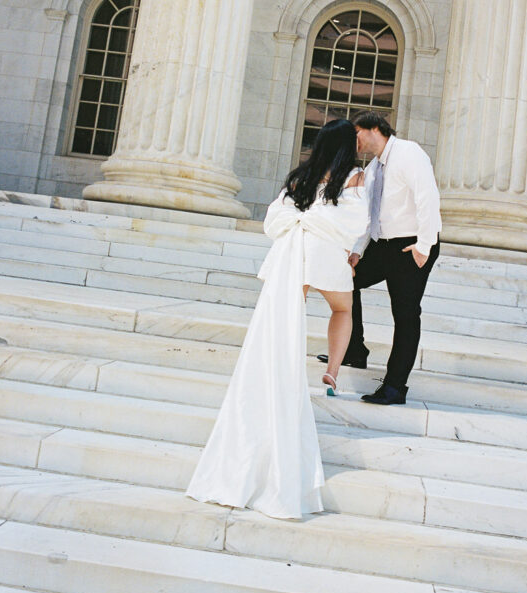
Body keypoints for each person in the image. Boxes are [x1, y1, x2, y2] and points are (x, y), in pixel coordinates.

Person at [186, 119, 368, 520]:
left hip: (289, 252)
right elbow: (356, 222)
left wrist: (303, 221)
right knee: (342, 308)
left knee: (289, 309)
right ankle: (333, 371)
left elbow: (276, 219)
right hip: (321, 252)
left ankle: (280, 363)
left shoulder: (300, 176)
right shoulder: (353, 175)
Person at [319, 111, 441, 406]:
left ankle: (395, 387)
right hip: (381, 246)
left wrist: (424, 245)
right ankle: (354, 349)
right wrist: (357, 251)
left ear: (374, 129)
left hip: (411, 246)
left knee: (406, 314)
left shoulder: (409, 153)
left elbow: (428, 198)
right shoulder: (374, 168)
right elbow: (369, 213)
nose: (354, 141)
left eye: (356, 134)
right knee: (346, 282)